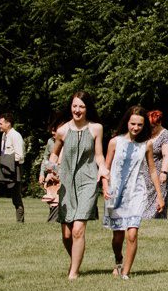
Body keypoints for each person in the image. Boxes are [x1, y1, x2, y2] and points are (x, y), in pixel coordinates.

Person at [103, 106, 162, 279]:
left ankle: (126, 273)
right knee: (118, 237)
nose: (136, 128)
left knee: (132, 233)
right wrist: (105, 186)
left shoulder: (147, 144)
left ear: (144, 126)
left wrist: (159, 195)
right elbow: (106, 167)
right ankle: (118, 260)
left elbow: (152, 170)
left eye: (140, 125)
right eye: (133, 124)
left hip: (137, 192)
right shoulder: (115, 142)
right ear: (127, 123)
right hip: (115, 193)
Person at [55, 92, 106, 278]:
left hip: (88, 182)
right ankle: (76, 260)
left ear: (87, 109)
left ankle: (74, 273)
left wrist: (103, 168)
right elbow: (54, 154)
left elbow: (99, 155)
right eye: (75, 106)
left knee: (78, 230)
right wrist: (50, 170)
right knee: (67, 235)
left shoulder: (96, 128)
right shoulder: (62, 131)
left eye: (82, 106)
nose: (77, 110)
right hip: (66, 184)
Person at [0, 113, 26, 225]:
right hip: (3, 168)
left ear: (8, 124)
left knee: (16, 199)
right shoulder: (4, 135)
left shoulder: (16, 136)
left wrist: (3, 159)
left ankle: (20, 223)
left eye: (1, 123)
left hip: (14, 169)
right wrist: (1, 159)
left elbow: (20, 156)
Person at [146, 110, 168, 218]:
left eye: (153, 126)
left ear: (160, 123)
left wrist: (164, 172)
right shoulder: (145, 134)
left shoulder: (166, 135)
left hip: (161, 172)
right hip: (147, 172)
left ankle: (156, 220)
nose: (150, 129)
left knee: (158, 201)